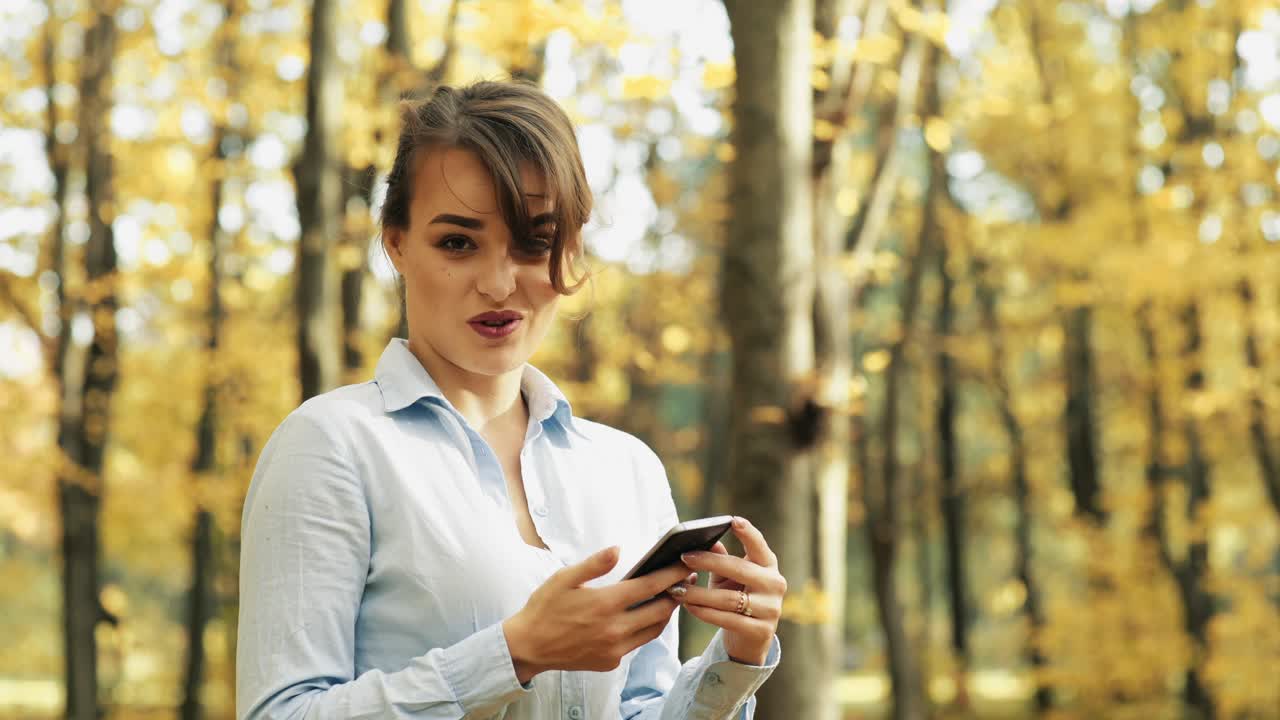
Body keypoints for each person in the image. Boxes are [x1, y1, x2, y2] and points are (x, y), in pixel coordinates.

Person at [236, 79, 785, 720]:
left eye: (533, 242)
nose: (499, 284)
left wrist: (736, 662)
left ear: (570, 248)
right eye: (458, 242)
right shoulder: (331, 444)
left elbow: (639, 708)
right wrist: (513, 655)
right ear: (396, 243)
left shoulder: (625, 467)